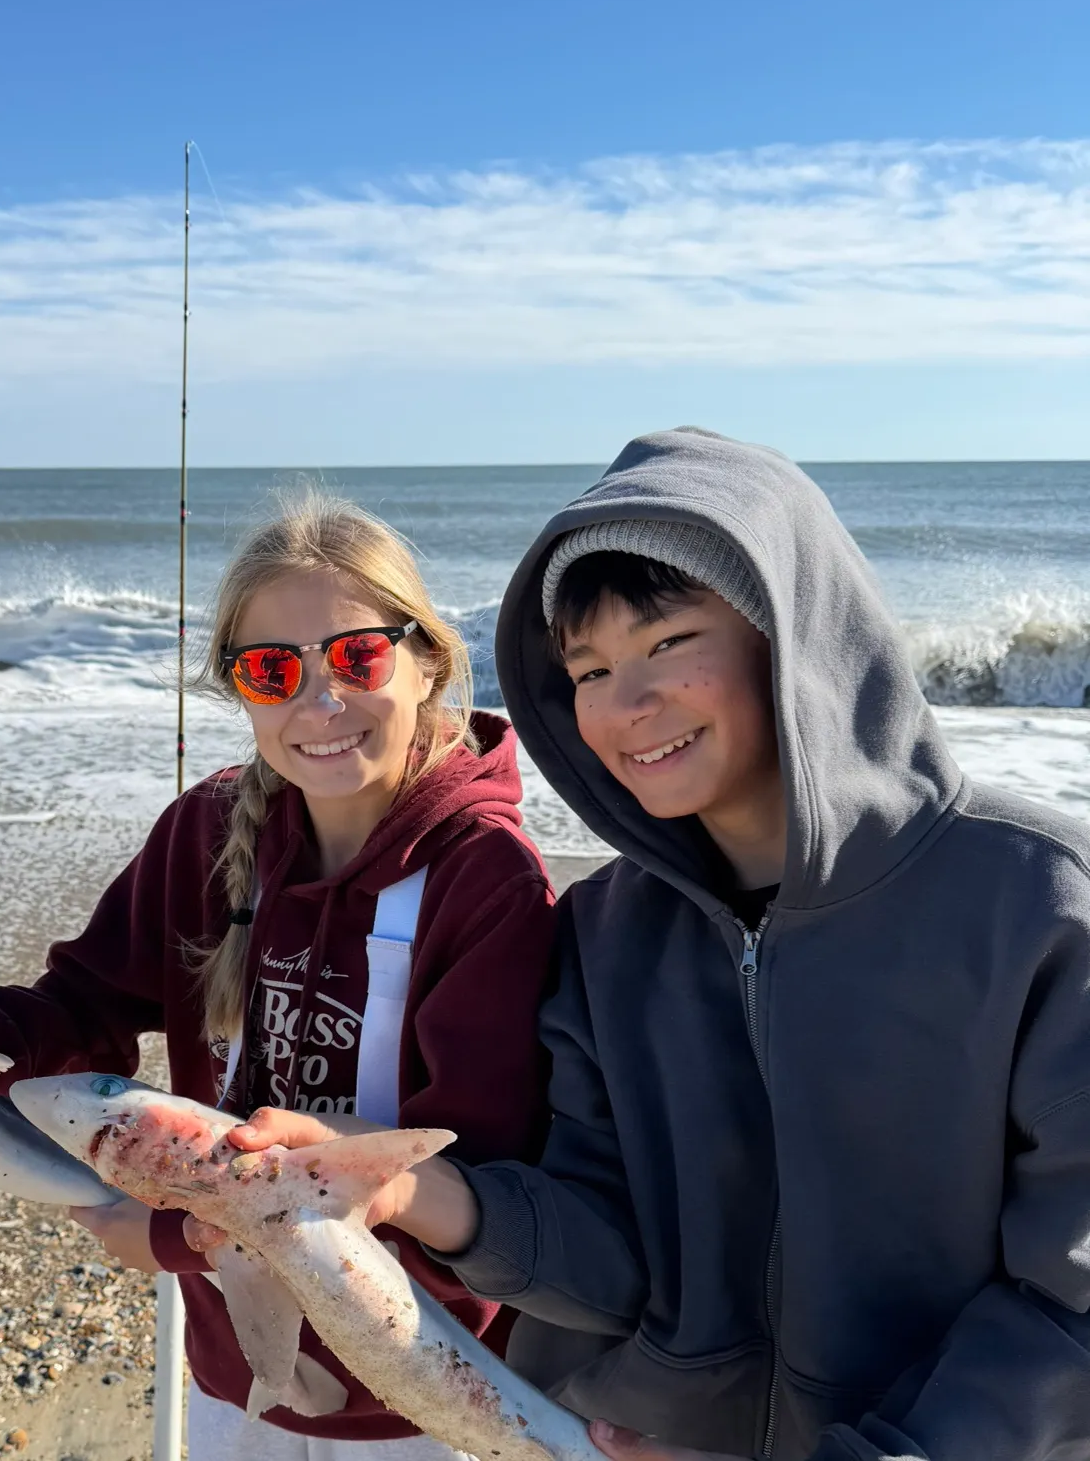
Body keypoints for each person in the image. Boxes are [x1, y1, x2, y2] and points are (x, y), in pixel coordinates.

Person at [224, 431, 1090, 1461]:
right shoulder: (606, 931)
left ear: (792, 634)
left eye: (670, 642)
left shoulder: (1032, 902)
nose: (625, 707)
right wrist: (411, 1190)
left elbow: (1069, 1296)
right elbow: (613, 1250)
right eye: (587, 668)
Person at [0, 494, 558, 1459]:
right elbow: (79, 1007)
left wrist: (174, 1235)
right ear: (238, 688)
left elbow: (487, 1189)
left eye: (357, 658)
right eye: (272, 670)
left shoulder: (486, 879)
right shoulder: (204, 833)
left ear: (429, 659)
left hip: (421, 1398)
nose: (319, 703)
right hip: (230, 1366)